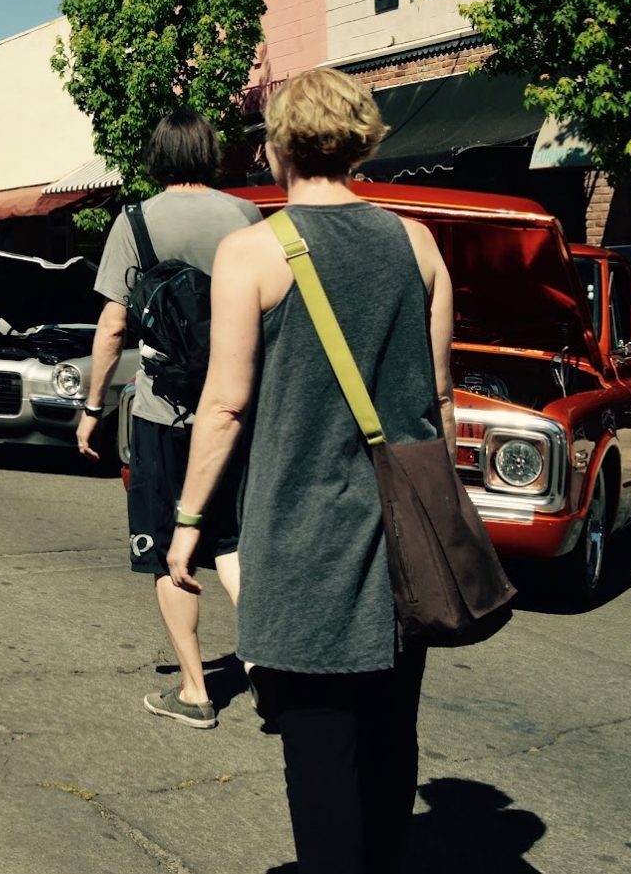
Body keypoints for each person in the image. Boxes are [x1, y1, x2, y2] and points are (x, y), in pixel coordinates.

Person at [167, 68, 455, 872]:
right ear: (362, 139)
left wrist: (187, 523)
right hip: (404, 542)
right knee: (391, 740)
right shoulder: (417, 243)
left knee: (320, 757)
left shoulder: (253, 251)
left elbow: (224, 406)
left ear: (277, 145)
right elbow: (435, 398)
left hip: (302, 544)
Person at [77, 109, 260, 730]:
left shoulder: (136, 222)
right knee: (232, 539)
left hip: (162, 410)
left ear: (157, 156)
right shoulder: (246, 217)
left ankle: (193, 690)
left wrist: (92, 407)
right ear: (210, 153)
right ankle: (267, 671)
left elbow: (111, 329)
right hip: (234, 406)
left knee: (164, 550)